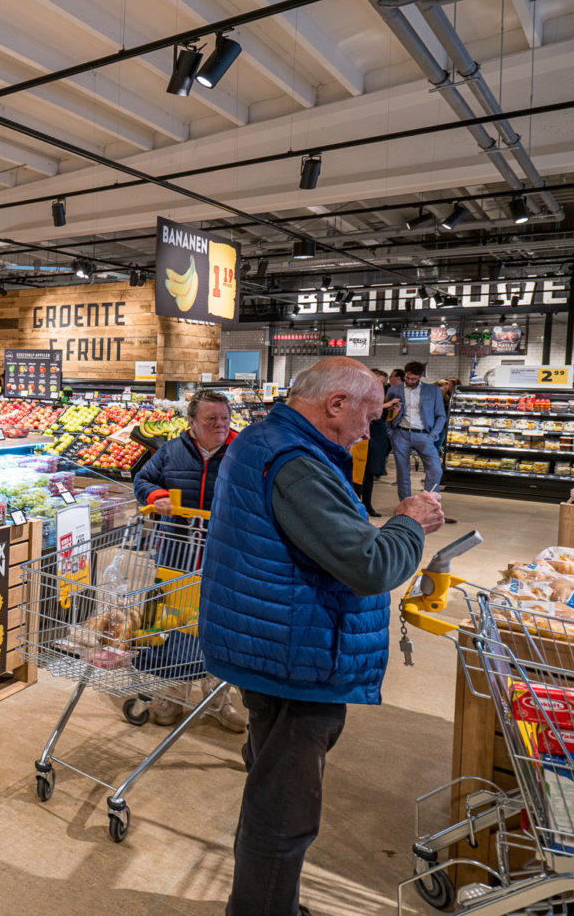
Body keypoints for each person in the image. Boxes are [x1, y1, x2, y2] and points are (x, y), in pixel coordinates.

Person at [199, 358, 445, 916]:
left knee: (271, 792)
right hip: (297, 657)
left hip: (277, 643)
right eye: (369, 416)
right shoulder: (297, 463)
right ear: (336, 404)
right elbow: (369, 565)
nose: (370, 431)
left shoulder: (267, 439)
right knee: (284, 813)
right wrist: (408, 522)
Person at [129, 388, 246, 731]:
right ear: (192, 422)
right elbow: (143, 479)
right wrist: (157, 496)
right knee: (174, 621)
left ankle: (218, 699)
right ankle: (174, 693)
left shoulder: (243, 452)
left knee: (218, 626)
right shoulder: (172, 450)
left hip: (223, 555)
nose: (220, 425)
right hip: (176, 554)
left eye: (225, 418)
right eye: (211, 419)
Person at [387, 361, 446, 501]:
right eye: (407, 378)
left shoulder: (433, 390)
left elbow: (441, 416)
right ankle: (405, 503)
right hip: (400, 433)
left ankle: (429, 502)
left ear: (420, 376)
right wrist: (390, 432)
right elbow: (387, 413)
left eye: (413, 379)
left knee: (435, 470)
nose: (410, 381)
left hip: (424, 435)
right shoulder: (394, 390)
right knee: (402, 472)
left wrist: (433, 434)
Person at [357, 368, 397, 518]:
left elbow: (382, 417)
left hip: (377, 436)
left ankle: (367, 504)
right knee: (358, 474)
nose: (381, 385)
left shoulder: (380, 397)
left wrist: (393, 410)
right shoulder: (359, 393)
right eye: (379, 382)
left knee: (370, 473)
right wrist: (386, 405)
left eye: (383, 383)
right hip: (362, 437)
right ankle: (356, 505)